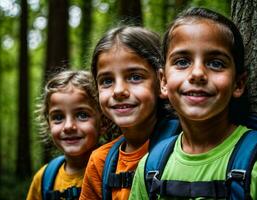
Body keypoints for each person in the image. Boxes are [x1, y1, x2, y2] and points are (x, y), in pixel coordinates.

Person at [129, 7, 257, 199]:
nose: (197, 73)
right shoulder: (150, 167)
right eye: (182, 62)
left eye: (216, 63)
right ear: (163, 82)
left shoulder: (253, 162)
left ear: (238, 84)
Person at [79, 26, 178, 200]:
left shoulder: (186, 145)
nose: (118, 91)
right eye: (107, 81)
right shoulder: (100, 162)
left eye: (135, 77)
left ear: (162, 82)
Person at [26, 70, 110, 200]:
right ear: (49, 125)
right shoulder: (44, 178)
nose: (68, 126)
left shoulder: (114, 169)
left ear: (103, 122)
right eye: (58, 117)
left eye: (82, 115)